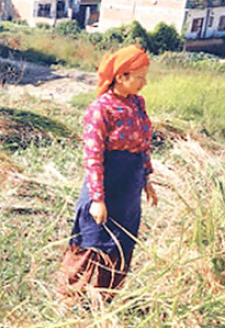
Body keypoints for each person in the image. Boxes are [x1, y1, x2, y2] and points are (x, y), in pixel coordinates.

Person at [57, 44, 158, 301]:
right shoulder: (100, 109)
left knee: (121, 245)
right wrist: (98, 199)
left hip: (129, 188)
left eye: (145, 77)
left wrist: (147, 180)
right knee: (91, 242)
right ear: (122, 76)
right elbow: (93, 157)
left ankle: (104, 300)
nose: (144, 83)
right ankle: (69, 300)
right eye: (139, 77)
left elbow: (143, 144)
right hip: (105, 184)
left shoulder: (137, 104)